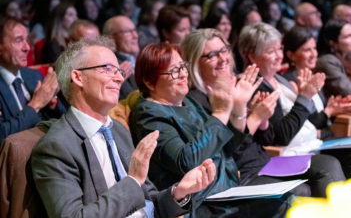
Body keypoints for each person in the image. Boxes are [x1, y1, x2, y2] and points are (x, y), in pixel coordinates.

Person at [31, 37, 216, 218]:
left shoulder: (118, 130)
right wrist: (133, 181)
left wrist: (179, 192)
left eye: (119, 71)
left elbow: (149, 202)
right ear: (78, 77)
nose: (120, 78)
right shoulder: (56, 146)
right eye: (109, 69)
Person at [130, 42, 293, 217]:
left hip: (227, 191)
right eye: (174, 71)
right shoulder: (149, 115)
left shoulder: (187, 102)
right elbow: (187, 161)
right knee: (285, 204)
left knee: (288, 198)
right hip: (200, 204)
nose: (183, 74)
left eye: (182, 67)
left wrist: (239, 108)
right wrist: (221, 113)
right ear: (149, 82)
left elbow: (226, 148)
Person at [237, 22, 346, 176]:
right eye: (271, 52)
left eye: (279, 49)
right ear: (252, 56)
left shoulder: (282, 80)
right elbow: (281, 137)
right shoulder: (254, 87)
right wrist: (304, 98)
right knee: (329, 164)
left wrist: (317, 104)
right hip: (288, 154)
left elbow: (311, 122)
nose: (279, 56)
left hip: (312, 145)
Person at [282, 26, 351, 177]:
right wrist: (328, 112)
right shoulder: (290, 83)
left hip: (324, 139)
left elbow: (320, 118)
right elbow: (306, 124)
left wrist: (335, 107)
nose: (313, 54)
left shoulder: (314, 78)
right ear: (291, 55)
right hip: (305, 147)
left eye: (314, 48)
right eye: (307, 50)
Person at [0, 17, 66, 143]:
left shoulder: (34, 76)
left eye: (27, 40)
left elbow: (64, 119)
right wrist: (36, 104)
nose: (27, 48)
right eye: (18, 41)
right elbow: (2, 134)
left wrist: (52, 103)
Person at [103, 15, 139, 99]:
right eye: (127, 32)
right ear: (110, 38)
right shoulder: (110, 64)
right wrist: (115, 80)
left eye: (134, 30)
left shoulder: (141, 58)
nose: (135, 36)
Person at [315, 19, 351, 98]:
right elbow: (348, 91)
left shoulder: (347, 55)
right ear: (332, 43)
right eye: (348, 36)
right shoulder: (327, 61)